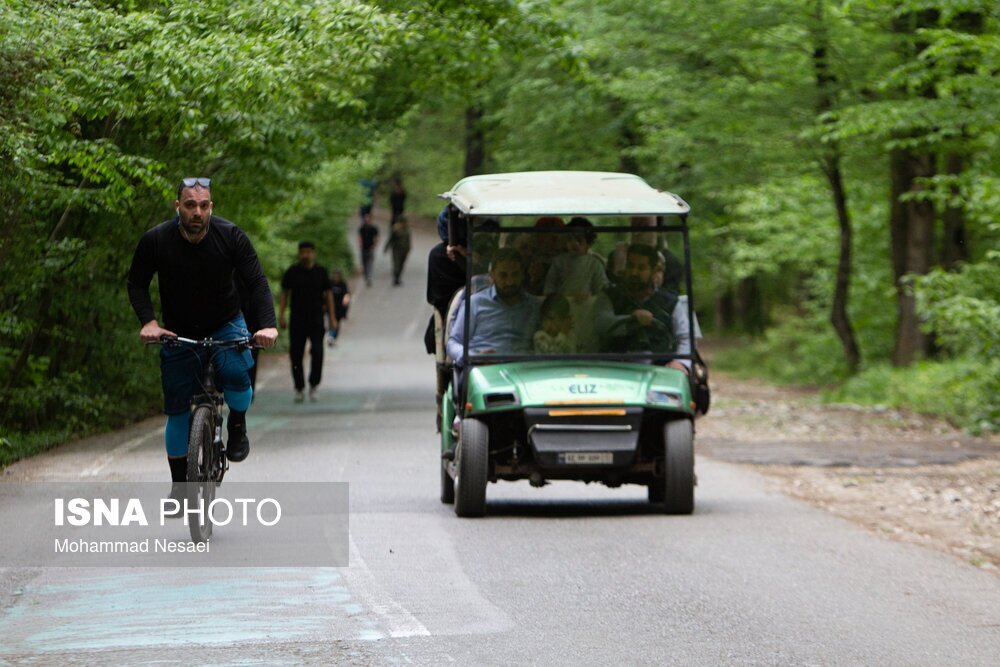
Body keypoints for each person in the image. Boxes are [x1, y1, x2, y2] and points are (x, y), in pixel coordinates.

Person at [127, 177, 278, 506]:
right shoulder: (156, 240)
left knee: (238, 374)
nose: (197, 212)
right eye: (190, 205)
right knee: (177, 408)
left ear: (212, 207)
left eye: (204, 205)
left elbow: (256, 281)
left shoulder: (231, 236)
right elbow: (137, 282)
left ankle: (237, 424)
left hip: (225, 323)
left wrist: (267, 325)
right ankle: (179, 487)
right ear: (177, 206)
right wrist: (149, 322)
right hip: (179, 330)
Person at [594, 243, 690, 373]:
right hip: (614, 368)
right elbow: (602, 323)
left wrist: (681, 362)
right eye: (631, 266)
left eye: (641, 268)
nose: (634, 272)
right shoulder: (609, 295)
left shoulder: (670, 302)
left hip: (660, 370)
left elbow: (685, 337)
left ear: (653, 270)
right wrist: (631, 319)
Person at [447, 247, 541, 364]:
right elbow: (453, 343)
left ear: (522, 274)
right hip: (481, 368)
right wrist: (473, 357)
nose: (510, 282)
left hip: (524, 369)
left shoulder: (535, 306)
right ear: (492, 275)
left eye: (515, 274)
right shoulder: (475, 303)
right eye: (503, 275)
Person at [279, 241, 336, 403]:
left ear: (313, 253)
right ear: (299, 253)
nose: (305, 255)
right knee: (296, 354)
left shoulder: (321, 272)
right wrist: (281, 315)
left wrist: (332, 318)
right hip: (297, 319)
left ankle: (314, 384)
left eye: (308, 252)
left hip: (317, 318)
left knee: (317, 352)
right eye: (302, 252)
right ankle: (299, 387)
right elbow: (284, 293)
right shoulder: (292, 272)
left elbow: (329, 295)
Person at [383, 215, 412, 286]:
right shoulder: (395, 229)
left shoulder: (407, 230)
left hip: (404, 250)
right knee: (396, 264)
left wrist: (409, 248)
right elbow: (390, 239)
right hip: (396, 250)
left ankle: (398, 277)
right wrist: (386, 248)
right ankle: (395, 278)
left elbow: (408, 240)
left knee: (402, 264)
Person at [327, 269, 351, 346]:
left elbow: (346, 295)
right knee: (331, 321)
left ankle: (333, 337)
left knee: (337, 323)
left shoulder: (342, 284)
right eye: (335, 276)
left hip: (339, 308)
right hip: (330, 307)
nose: (336, 277)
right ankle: (331, 336)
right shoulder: (330, 284)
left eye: (337, 276)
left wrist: (345, 305)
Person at [358, 213, 379, 287]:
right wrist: (360, 244)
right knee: (364, 263)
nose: (366, 221)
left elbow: (376, 238)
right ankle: (366, 276)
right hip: (363, 248)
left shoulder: (373, 228)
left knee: (369, 263)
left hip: (370, 248)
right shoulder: (362, 228)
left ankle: (369, 277)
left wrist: (374, 245)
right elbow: (359, 237)